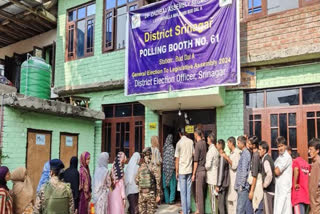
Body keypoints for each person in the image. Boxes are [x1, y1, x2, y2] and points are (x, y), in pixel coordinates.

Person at [175, 128, 194, 214]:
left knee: (183, 193)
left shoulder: (179, 143)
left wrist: (176, 171)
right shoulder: (191, 142)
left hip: (182, 171)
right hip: (189, 169)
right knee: (188, 192)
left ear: (180, 134)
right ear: (185, 133)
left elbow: (177, 158)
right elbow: (194, 154)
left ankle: (185, 211)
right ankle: (188, 210)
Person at [136, 147, 161, 214]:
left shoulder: (140, 167)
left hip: (141, 194)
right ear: (151, 155)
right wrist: (158, 195)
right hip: (151, 193)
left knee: (142, 212)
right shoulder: (153, 167)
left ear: (143, 155)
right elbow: (158, 181)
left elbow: (136, 181)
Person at [220, 136, 241, 214]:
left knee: (235, 201)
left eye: (228, 143)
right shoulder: (231, 153)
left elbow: (234, 166)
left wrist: (227, 158)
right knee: (229, 201)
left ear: (231, 143)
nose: (227, 145)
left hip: (234, 180)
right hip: (230, 181)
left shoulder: (237, 153)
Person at [274, 136, 292, 214]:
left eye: (281, 146)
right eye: (278, 146)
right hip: (279, 190)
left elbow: (277, 171)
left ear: (285, 146)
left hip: (284, 191)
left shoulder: (287, 157)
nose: (280, 148)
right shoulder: (279, 158)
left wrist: (273, 169)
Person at [235, 135, 251, 214]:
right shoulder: (243, 153)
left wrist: (241, 185)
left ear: (242, 143)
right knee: (240, 208)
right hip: (241, 186)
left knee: (240, 209)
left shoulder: (245, 154)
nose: (237, 145)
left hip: (243, 187)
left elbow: (245, 171)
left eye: (238, 143)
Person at [192, 128, 207, 214]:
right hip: (204, 170)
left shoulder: (197, 144)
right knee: (201, 193)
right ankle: (199, 210)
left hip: (199, 171)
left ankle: (200, 211)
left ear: (196, 135)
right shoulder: (204, 143)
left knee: (199, 194)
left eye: (194, 135)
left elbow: (196, 161)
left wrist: (193, 173)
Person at [258, 141, 275, 214]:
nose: (259, 151)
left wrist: (264, 185)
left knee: (268, 211)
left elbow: (269, 174)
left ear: (264, 150)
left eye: (260, 149)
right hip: (272, 190)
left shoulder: (266, 160)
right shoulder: (268, 158)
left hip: (268, 190)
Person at [248, 136, 263, 214]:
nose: (247, 145)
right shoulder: (254, 154)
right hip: (255, 183)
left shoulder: (256, 155)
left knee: (257, 207)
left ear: (253, 145)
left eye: (249, 144)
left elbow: (255, 175)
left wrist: (252, 191)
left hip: (257, 184)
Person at [205, 132, 219, 214]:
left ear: (210, 139)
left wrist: (205, 166)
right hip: (214, 176)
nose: (207, 139)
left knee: (213, 200)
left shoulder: (211, 150)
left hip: (212, 178)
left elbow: (208, 165)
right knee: (214, 199)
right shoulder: (215, 149)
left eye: (208, 138)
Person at [162, 134, 177, 204]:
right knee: (172, 185)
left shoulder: (164, 147)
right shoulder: (171, 147)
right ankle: (171, 200)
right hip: (171, 169)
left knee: (165, 186)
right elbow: (173, 158)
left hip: (165, 169)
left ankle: (167, 200)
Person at [216, 139, 229, 214]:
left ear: (220, 145)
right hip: (225, 184)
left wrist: (218, 185)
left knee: (221, 205)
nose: (216, 146)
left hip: (222, 185)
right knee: (223, 204)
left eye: (217, 144)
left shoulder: (222, 157)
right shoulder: (225, 156)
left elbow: (221, 172)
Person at [308, 138, 320, 214]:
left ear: (317, 150)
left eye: (311, 149)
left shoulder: (318, 163)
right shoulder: (314, 162)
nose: (309, 152)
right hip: (312, 201)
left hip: (317, 201)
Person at [150, 135, 162, 201]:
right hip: (156, 169)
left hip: (151, 169)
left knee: (152, 185)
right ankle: (157, 199)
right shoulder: (157, 150)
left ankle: (152, 200)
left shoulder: (149, 149)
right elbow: (158, 161)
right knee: (157, 185)